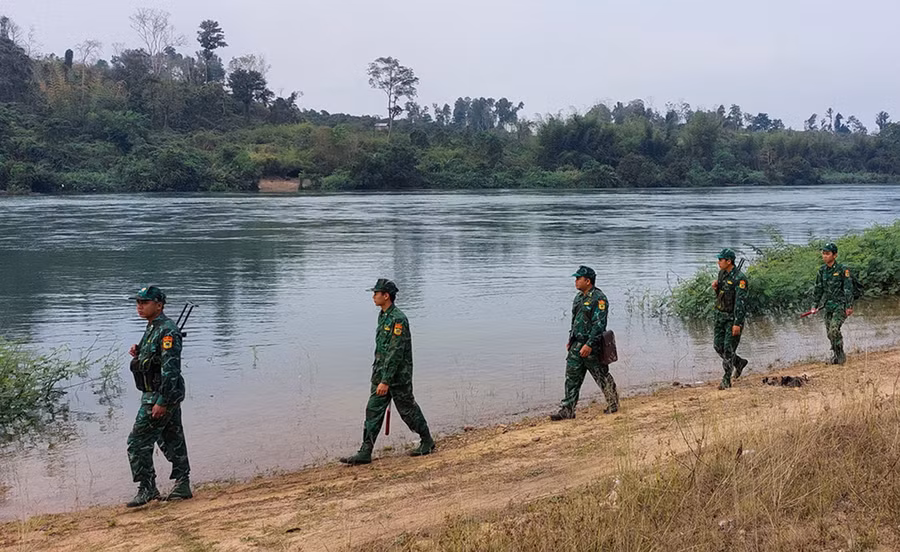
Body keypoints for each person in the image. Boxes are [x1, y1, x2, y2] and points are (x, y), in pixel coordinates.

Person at [340, 279, 435, 465]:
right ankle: (365, 451)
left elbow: (395, 353)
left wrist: (386, 381)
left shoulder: (398, 319)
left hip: (397, 378)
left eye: (377, 293)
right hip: (380, 375)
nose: (373, 296)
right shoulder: (383, 316)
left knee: (408, 411)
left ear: (386, 296)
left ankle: (427, 441)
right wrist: (379, 377)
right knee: (373, 411)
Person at [125, 286, 192, 507]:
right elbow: (154, 359)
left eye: (144, 303)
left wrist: (162, 401)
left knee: (137, 442)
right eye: (138, 303)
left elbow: (171, 370)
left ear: (159, 305)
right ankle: (182, 484)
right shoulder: (153, 327)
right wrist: (139, 351)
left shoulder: (167, 331)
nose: (139, 306)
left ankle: (147, 488)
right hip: (155, 393)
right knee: (171, 438)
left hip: (161, 395)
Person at [550, 265, 619, 421]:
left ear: (587, 281)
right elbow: (574, 322)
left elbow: (599, 325)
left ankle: (613, 403)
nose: (575, 281)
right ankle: (568, 409)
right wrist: (570, 340)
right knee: (571, 377)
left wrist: (589, 344)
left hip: (592, 346)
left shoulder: (599, 298)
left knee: (601, 375)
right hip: (576, 344)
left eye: (578, 278)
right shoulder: (579, 298)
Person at [810, 242, 854, 364]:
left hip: (840, 305)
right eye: (823, 254)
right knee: (829, 333)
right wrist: (814, 305)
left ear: (835, 255)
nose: (824, 256)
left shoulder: (842, 270)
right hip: (827, 306)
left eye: (827, 254)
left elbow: (848, 288)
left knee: (834, 330)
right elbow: (818, 289)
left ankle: (840, 356)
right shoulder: (822, 271)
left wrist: (849, 306)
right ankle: (836, 354)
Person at [711, 248, 749, 389]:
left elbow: (740, 302)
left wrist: (737, 323)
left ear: (729, 261)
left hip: (732, 319)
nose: (718, 262)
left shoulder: (740, 279)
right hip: (720, 316)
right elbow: (722, 296)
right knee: (718, 346)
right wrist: (716, 288)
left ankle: (726, 379)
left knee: (728, 348)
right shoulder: (722, 274)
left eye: (721, 260)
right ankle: (739, 362)